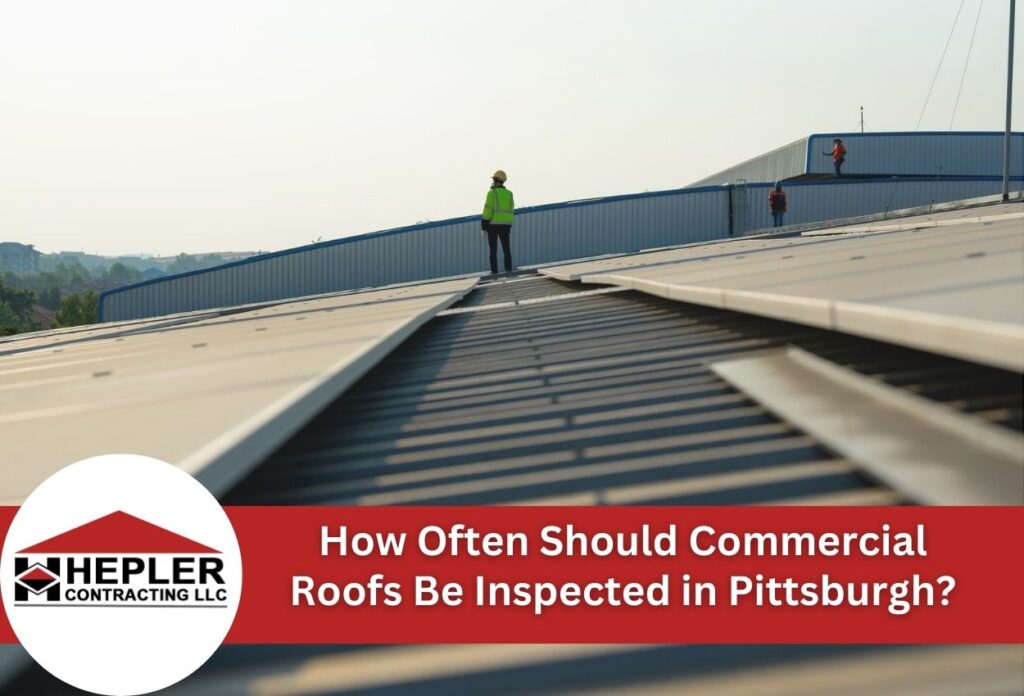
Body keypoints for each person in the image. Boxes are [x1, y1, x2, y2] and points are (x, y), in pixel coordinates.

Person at [481, 169, 515, 274]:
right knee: (506, 249)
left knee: (493, 251)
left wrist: (484, 226)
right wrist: (509, 225)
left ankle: (494, 273)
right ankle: (509, 270)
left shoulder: (492, 193)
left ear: (495, 180)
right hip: (506, 226)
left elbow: (487, 211)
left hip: (493, 225)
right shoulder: (509, 194)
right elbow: (511, 209)